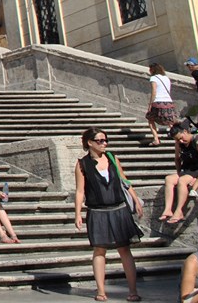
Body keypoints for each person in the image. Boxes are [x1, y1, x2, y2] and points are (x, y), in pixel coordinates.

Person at [74, 126, 143, 302]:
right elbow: (80, 191)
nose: (104, 143)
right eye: (100, 141)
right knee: (99, 250)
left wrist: (135, 199)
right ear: (89, 143)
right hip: (97, 210)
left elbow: (124, 179)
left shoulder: (112, 158)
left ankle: (133, 290)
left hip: (119, 208)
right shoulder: (82, 164)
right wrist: (77, 213)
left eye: (105, 140)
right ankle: (101, 291)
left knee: (124, 249)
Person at [162, 121, 198, 224]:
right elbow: (177, 159)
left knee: (182, 181)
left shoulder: (196, 141)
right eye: (178, 140)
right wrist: (178, 172)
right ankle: (168, 209)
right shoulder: (179, 144)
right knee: (169, 179)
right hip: (187, 170)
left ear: (186, 131)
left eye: (181, 138)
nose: (181, 141)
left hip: (196, 170)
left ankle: (179, 211)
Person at [145, 62, 177, 146]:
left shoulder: (153, 78)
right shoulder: (166, 78)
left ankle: (156, 139)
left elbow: (154, 92)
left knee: (150, 118)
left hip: (158, 101)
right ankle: (177, 137)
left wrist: (150, 104)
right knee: (170, 121)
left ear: (152, 70)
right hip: (168, 102)